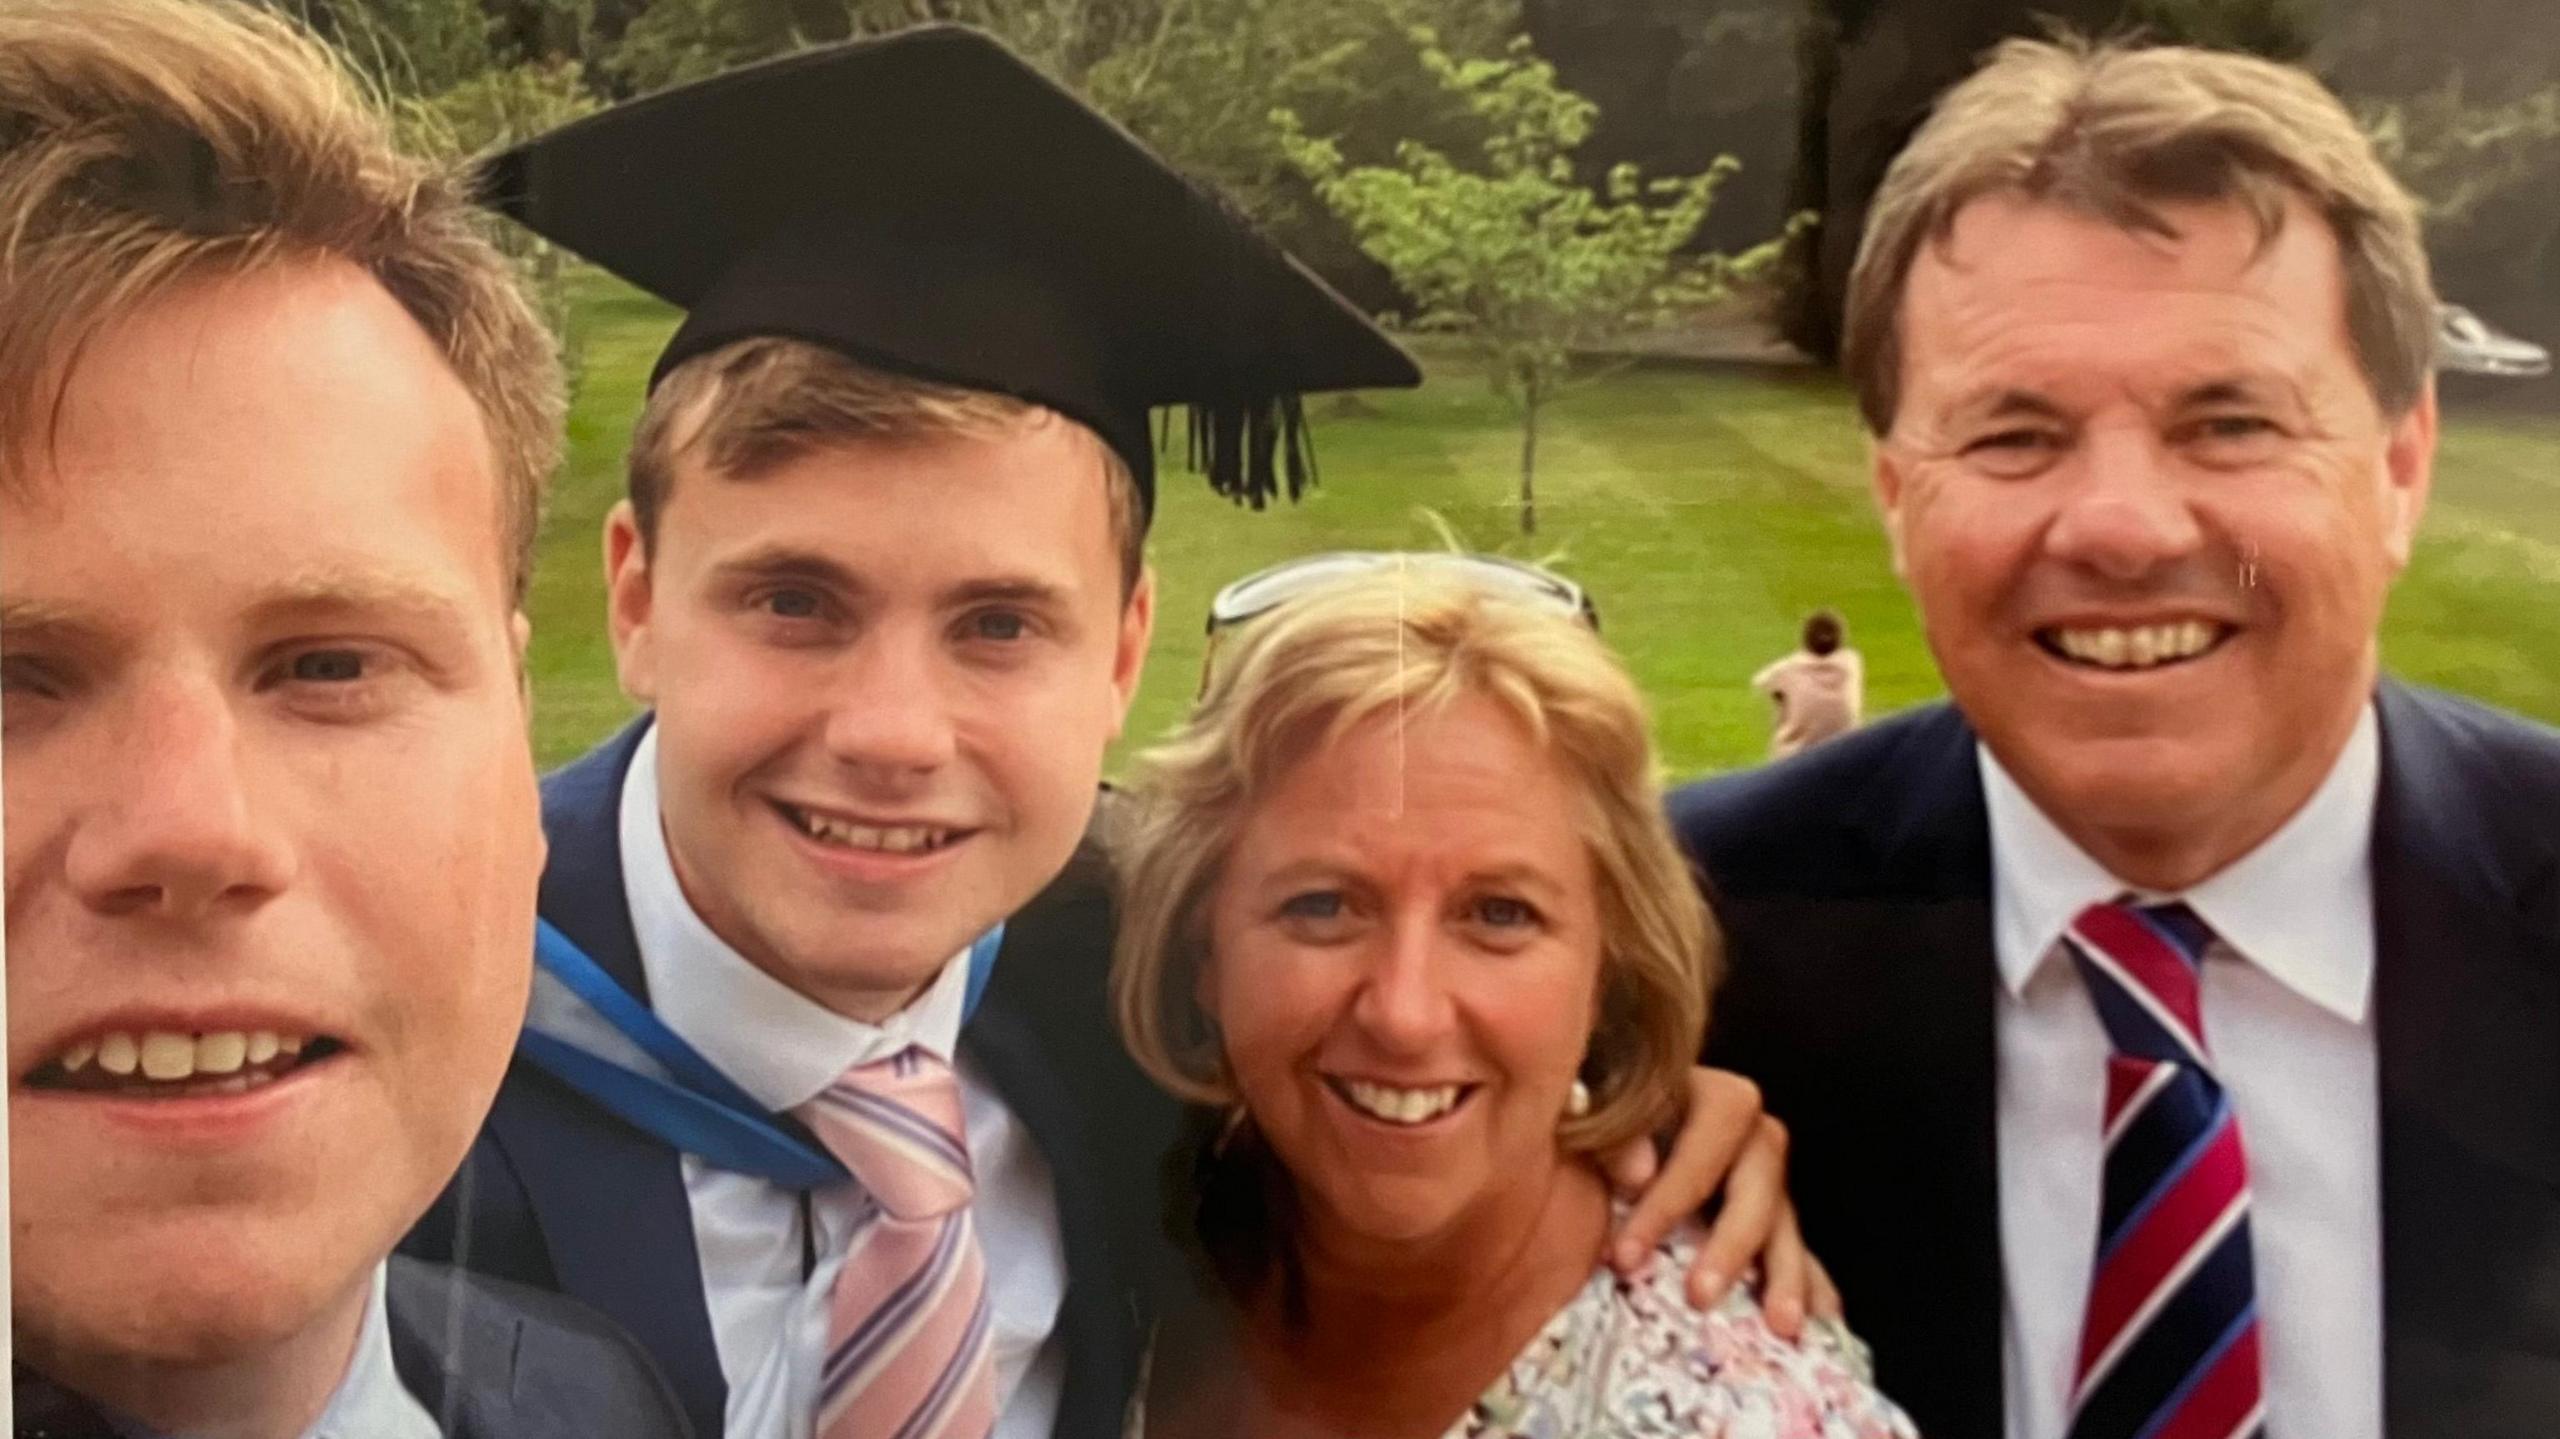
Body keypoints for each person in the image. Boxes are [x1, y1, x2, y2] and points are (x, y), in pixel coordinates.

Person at [403, 27, 1826, 1439]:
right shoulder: (398, 1053)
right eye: (794, 599)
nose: (895, 732)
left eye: (1000, 626)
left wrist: (1619, 1130)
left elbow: (1412, 1037)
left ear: (1125, 650)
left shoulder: (1137, 977)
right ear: (636, 598)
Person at [1670, 33, 2560, 1439]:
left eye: (2230, 421)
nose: (2124, 525)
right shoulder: (1678, 950)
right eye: (2016, 437)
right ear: (1899, 495)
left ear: (2400, 466)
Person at [0, 1, 692, 1435]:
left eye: (328, 666)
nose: (193, 827)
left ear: (516, 724)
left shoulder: (589, 1396)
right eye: (10, 678)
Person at [1111, 562, 1916, 1439]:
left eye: (1500, 914)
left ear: (1607, 961)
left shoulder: (1742, 1413)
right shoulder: (1115, 1219)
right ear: (1203, 942)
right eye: (1324, 905)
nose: (1406, 1012)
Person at [1750, 609, 1863, 758]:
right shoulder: (1852, 662)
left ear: (1805, 640)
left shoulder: (1788, 670)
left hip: (1795, 760)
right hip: (1844, 757)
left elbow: (1759, 682)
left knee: (1780, 701)